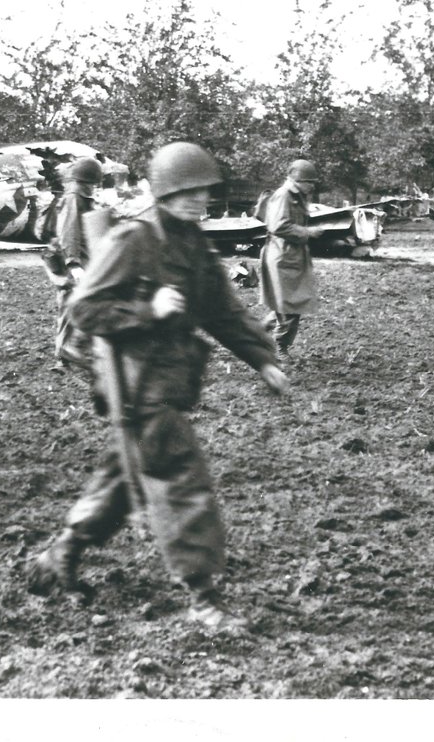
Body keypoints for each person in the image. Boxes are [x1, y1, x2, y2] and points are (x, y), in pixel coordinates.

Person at [27, 142, 290, 630]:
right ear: (166, 192)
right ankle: (203, 597)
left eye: (205, 191)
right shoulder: (134, 239)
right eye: (189, 191)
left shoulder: (192, 244)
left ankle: (59, 555)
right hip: (138, 387)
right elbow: (85, 309)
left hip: (169, 381)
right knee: (181, 482)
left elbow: (223, 311)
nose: (199, 200)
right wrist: (148, 310)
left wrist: (262, 358)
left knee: (122, 481)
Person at [258, 159, 325, 356]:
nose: (312, 186)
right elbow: (277, 226)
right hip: (283, 256)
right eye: (309, 182)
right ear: (298, 180)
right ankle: (280, 348)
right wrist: (308, 232)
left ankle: (256, 334)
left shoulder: (297, 196)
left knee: (286, 303)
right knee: (290, 305)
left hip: (290, 255)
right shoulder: (284, 195)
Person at [41, 157, 103, 368]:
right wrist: (73, 264)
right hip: (72, 261)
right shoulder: (74, 198)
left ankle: (68, 353)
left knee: (74, 304)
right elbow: (69, 231)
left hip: (78, 259)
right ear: (89, 180)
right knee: (71, 304)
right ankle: (64, 354)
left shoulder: (78, 197)